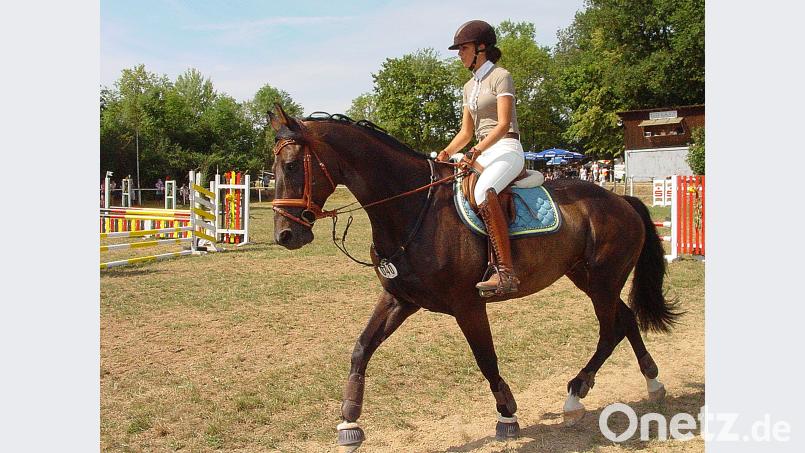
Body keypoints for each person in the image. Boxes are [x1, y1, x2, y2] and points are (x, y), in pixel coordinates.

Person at [436, 20, 523, 297]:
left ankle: (506, 272)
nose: (459, 54)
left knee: (485, 190)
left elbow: (503, 124)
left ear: (481, 48)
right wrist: (447, 152)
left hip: (507, 147)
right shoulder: (468, 87)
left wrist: (475, 151)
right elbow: (466, 132)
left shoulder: (501, 76)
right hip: (483, 151)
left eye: (463, 48)